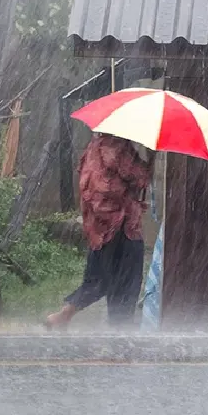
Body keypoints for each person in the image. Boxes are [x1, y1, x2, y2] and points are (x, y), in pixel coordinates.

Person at [45, 133, 152, 329]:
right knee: (126, 284)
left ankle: (61, 317)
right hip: (122, 226)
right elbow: (140, 177)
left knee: (98, 279)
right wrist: (151, 156)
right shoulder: (118, 150)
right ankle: (119, 337)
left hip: (99, 228)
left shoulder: (94, 148)